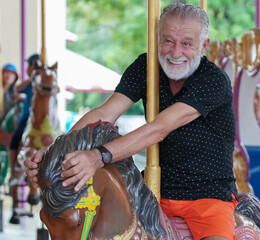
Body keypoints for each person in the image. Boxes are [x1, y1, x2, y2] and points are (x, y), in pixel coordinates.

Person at [26, 4, 238, 240]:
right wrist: (55, 152)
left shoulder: (213, 81)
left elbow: (158, 129)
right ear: (157, 39)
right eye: (168, 41)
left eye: (187, 43)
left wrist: (98, 156)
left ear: (203, 46)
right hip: (152, 195)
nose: (175, 52)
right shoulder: (146, 68)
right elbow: (104, 113)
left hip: (207, 200)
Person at [7, 54, 40, 224]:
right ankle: (13, 171)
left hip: (38, 120)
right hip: (27, 119)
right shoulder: (29, 83)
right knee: (15, 138)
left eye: (30, 66)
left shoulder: (41, 81)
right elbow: (16, 90)